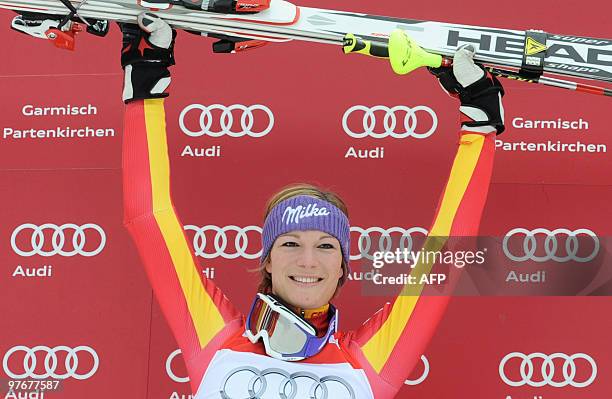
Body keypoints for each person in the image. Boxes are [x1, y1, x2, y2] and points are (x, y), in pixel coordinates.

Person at [121, 13, 505, 399]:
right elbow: (148, 217)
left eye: (326, 246)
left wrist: (479, 123)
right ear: (267, 260)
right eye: (290, 243)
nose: (308, 261)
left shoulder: (369, 365)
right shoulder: (213, 339)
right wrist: (147, 78)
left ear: (343, 266)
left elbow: (446, 254)